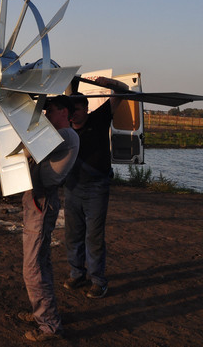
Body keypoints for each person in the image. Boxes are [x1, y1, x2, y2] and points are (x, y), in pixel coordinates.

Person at [20, 95, 79, 342]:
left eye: (51, 110)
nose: (46, 115)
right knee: (40, 263)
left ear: (64, 112)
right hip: (39, 199)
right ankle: (43, 312)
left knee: (33, 268)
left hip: (42, 201)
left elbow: (28, 143)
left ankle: (49, 326)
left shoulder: (65, 135)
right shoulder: (62, 135)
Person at [63, 76, 128, 299]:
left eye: (78, 109)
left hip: (96, 189)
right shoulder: (64, 129)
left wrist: (107, 83)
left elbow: (124, 90)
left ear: (86, 109)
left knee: (94, 237)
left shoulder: (99, 119)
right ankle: (77, 273)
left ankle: (98, 281)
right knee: (73, 235)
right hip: (71, 187)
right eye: (71, 110)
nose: (74, 114)